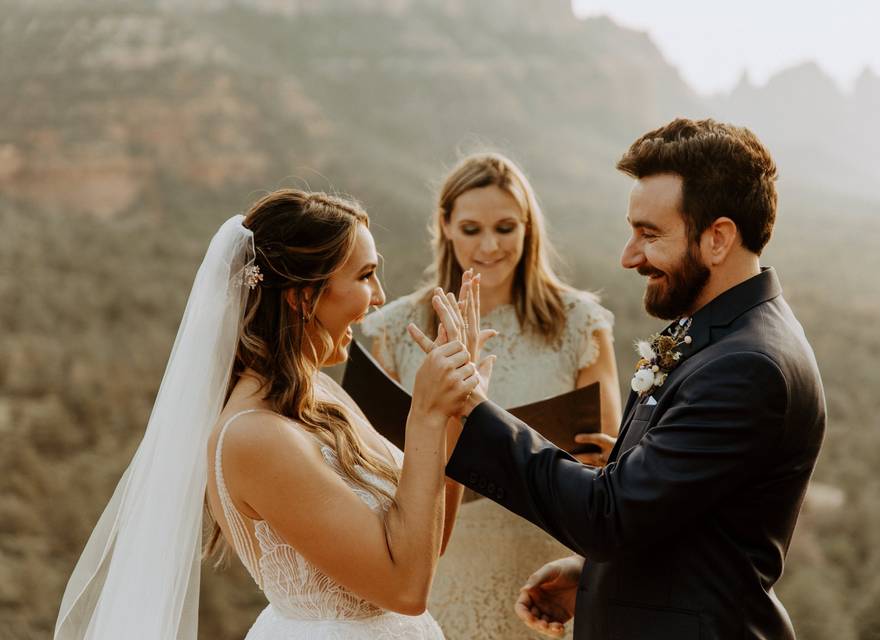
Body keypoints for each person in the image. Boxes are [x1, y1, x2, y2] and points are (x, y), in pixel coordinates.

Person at [443, 120, 827, 640]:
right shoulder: (722, 334)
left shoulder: (748, 365)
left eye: (649, 234)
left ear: (718, 238)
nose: (629, 256)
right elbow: (681, 512)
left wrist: (470, 410)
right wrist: (597, 579)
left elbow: (610, 513)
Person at [54, 189, 485, 639]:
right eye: (365, 275)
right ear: (303, 297)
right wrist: (426, 417)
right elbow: (405, 590)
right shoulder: (253, 437)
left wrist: (454, 415)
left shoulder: (320, 395)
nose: (378, 296)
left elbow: (423, 548)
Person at [362, 152, 621, 639]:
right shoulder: (395, 329)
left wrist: (610, 461)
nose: (488, 246)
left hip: (543, 573)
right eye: (471, 228)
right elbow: (373, 464)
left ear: (528, 228)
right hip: (437, 573)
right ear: (445, 225)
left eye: (505, 228)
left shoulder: (579, 324)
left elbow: (610, 464)